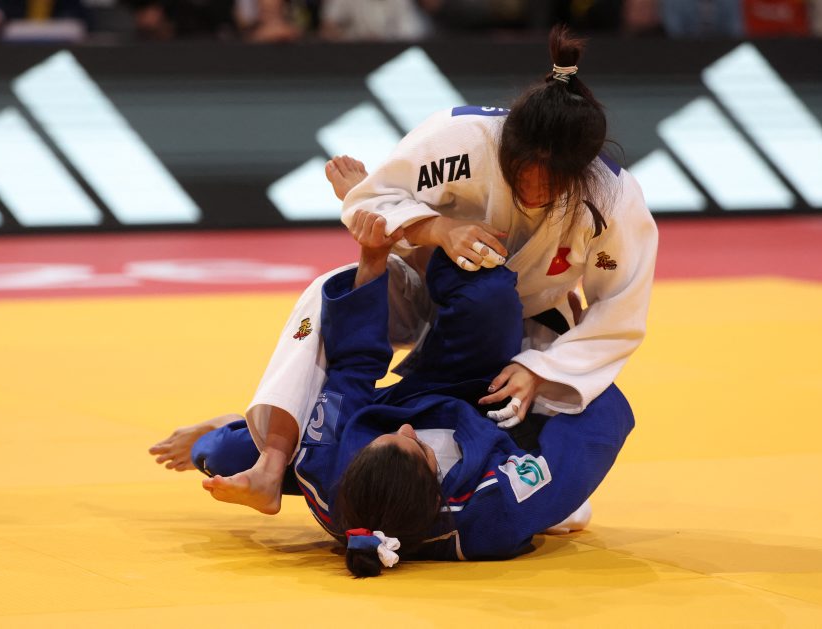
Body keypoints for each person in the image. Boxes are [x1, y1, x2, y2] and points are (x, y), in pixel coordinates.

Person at [242, 25, 657, 468]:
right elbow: (368, 202)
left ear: (583, 172)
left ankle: (230, 436)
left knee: (544, 474)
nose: (534, 188)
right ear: (506, 141)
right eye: (522, 170)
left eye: (553, 181)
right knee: (331, 294)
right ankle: (272, 456)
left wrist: (542, 370)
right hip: (423, 286)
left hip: (523, 322)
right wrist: (437, 227)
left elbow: (621, 311)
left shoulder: (613, 199)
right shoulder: (464, 138)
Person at [160, 209, 635, 577]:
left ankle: (220, 429)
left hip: (429, 389)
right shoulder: (496, 510)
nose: (407, 429)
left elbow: (352, 370)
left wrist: (372, 258)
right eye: (418, 446)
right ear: (438, 486)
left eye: (386, 437)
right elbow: (597, 431)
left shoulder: (328, 469)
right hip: (495, 408)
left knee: (229, 453)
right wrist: (551, 362)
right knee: (490, 299)